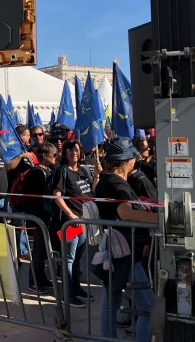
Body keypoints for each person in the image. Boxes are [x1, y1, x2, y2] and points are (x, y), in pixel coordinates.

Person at [95, 137, 157, 342]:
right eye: (133, 158)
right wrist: (160, 219)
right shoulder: (116, 184)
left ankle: (107, 338)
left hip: (115, 250)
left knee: (110, 301)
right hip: (126, 252)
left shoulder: (107, 180)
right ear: (126, 160)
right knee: (148, 308)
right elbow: (125, 213)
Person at [52, 139, 94, 307]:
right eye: (70, 150)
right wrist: (70, 215)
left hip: (83, 221)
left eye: (77, 150)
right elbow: (57, 196)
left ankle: (76, 289)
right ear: (65, 153)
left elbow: (92, 191)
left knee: (77, 258)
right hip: (69, 223)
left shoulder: (83, 170)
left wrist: (97, 175)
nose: (74, 153)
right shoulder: (62, 171)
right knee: (68, 258)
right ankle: (67, 294)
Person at [21, 142, 58, 293]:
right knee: (38, 250)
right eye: (53, 155)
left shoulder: (48, 170)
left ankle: (41, 277)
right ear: (44, 156)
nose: (56, 157)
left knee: (43, 251)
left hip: (45, 217)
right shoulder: (36, 173)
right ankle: (34, 281)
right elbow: (34, 199)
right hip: (38, 217)